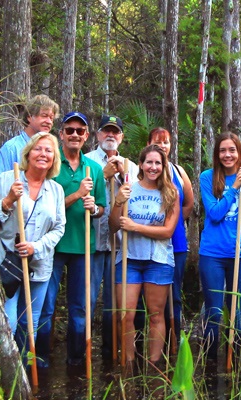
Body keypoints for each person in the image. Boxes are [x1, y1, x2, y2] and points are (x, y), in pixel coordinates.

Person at [0, 132, 66, 365]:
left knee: (29, 323)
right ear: (28, 153)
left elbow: (59, 228)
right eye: (38, 149)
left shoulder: (56, 190)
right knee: (8, 321)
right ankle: (3, 369)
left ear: (54, 158)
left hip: (38, 265)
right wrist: (8, 200)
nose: (43, 154)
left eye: (49, 150)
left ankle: (24, 372)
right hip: (7, 264)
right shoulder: (6, 179)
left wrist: (36, 247)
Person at [43, 111, 107, 371]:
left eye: (80, 131)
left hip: (84, 247)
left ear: (86, 136)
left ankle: (77, 363)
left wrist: (94, 207)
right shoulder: (50, 165)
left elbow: (102, 207)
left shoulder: (94, 170)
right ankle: (41, 361)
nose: (74, 135)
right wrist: (77, 194)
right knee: (46, 307)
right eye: (70, 130)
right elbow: (46, 206)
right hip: (53, 247)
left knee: (80, 309)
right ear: (61, 134)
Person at [110, 145, 180, 372]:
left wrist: (136, 227)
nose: (153, 167)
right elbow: (113, 226)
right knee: (126, 315)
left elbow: (168, 232)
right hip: (130, 259)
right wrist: (118, 203)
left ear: (164, 166)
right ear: (140, 164)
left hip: (158, 261)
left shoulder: (170, 193)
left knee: (155, 314)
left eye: (158, 163)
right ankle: (128, 365)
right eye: (149, 162)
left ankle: (153, 367)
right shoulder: (128, 189)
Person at [198, 132, 241, 365]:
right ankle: (210, 364)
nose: (227, 154)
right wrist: (233, 188)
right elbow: (213, 214)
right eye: (223, 150)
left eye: (232, 150)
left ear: (239, 153)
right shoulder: (208, 177)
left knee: (239, 311)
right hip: (212, 254)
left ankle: (236, 361)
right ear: (217, 153)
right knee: (214, 311)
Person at [86, 115, 138, 364]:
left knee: (113, 303)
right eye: (106, 131)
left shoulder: (130, 165)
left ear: (121, 137)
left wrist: (121, 176)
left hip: (119, 245)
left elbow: (136, 193)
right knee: (87, 299)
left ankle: (110, 353)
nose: (110, 135)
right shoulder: (88, 161)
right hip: (93, 243)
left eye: (115, 132)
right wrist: (103, 175)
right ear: (97, 135)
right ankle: (81, 353)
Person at [147, 127, 195, 352]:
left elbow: (189, 203)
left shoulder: (178, 171)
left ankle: (174, 343)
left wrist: (173, 222)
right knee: (151, 297)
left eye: (166, 142)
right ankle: (150, 343)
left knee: (174, 293)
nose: (163, 146)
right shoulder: (146, 170)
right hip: (148, 243)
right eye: (157, 142)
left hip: (175, 242)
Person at [0, 94, 58, 181]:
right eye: (44, 116)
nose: (49, 121)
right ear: (29, 117)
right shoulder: (11, 148)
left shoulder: (51, 151)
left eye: (51, 118)